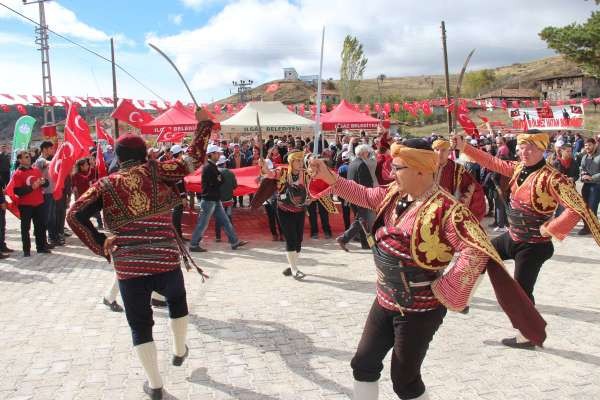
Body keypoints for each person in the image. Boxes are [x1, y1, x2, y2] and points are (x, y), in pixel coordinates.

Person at [308, 139, 547, 400]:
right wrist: (327, 176)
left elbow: (476, 249)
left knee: (405, 381)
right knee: (363, 364)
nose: (390, 172)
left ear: (421, 170)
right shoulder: (393, 194)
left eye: (397, 167)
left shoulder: (447, 211)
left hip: (419, 311)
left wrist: (447, 289)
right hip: (385, 300)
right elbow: (364, 195)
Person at [67, 134, 205, 400]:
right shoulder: (157, 170)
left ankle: (155, 386)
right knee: (177, 302)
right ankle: (178, 350)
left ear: (117, 158)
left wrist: (101, 242)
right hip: (164, 257)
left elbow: (73, 214)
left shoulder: (104, 185)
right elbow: (192, 159)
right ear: (145, 154)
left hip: (129, 267)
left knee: (140, 325)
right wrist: (203, 125)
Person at [453, 130, 600, 348]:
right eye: (522, 146)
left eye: (531, 147)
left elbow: (575, 209)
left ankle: (528, 336)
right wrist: (464, 147)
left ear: (543, 149)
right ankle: (464, 299)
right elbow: (493, 162)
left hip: (533, 246)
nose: (525, 151)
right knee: (479, 250)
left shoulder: (553, 178)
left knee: (521, 292)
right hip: (513, 236)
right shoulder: (517, 167)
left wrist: (550, 228)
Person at [256, 150, 335, 279]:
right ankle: (294, 269)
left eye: (300, 160)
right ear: (291, 162)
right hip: (284, 210)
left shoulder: (305, 175)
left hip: (300, 210)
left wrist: (313, 197)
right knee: (291, 238)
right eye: (297, 160)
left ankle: (291, 265)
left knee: (299, 240)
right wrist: (263, 166)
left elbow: (319, 184)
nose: (300, 163)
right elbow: (268, 174)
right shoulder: (281, 172)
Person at [189, 144, 248, 252]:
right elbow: (216, 182)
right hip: (209, 200)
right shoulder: (209, 168)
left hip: (214, 199)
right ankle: (193, 244)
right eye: (216, 153)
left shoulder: (211, 167)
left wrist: (219, 180)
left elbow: (220, 180)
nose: (218, 155)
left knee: (225, 221)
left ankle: (234, 241)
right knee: (203, 223)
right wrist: (219, 180)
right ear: (211, 154)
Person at [431, 138, 486, 221]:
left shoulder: (457, 169)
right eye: (437, 150)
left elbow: (475, 188)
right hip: (429, 212)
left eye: (443, 150)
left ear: (449, 152)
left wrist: (465, 201)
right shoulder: (426, 167)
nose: (439, 153)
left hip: (448, 214)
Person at [10, 150, 51, 257]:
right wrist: (31, 188)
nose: (29, 158)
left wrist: (44, 182)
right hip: (25, 205)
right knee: (25, 228)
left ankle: (41, 247)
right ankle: (26, 250)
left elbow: (46, 183)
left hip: (39, 203)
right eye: (26, 157)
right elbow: (17, 191)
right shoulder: (17, 174)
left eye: (29, 156)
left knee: (40, 226)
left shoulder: (36, 170)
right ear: (20, 160)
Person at [336, 144, 375, 251]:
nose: (368, 154)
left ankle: (365, 244)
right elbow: (364, 183)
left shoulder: (353, 163)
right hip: (360, 196)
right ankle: (344, 239)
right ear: (363, 153)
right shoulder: (361, 164)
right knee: (361, 220)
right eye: (367, 152)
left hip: (353, 196)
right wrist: (369, 195)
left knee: (361, 220)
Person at [34, 141, 59, 247]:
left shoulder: (47, 159)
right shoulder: (40, 160)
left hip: (50, 192)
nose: (52, 150)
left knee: (52, 217)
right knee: (47, 217)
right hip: (45, 193)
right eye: (50, 148)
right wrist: (58, 157)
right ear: (44, 149)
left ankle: (53, 238)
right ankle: (47, 239)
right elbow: (49, 164)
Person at [169, 145, 191, 240]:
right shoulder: (176, 165)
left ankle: (178, 235)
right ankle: (177, 236)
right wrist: (183, 197)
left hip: (175, 195)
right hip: (178, 196)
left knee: (177, 216)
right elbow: (178, 183)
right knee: (177, 217)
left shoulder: (173, 164)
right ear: (180, 153)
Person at [579, 138, 600, 234]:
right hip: (586, 186)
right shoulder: (584, 157)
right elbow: (582, 169)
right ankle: (586, 227)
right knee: (585, 207)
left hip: (596, 186)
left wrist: (591, 177)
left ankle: (594, 228)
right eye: (586, 145)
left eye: (589, 145)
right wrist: (582, 174)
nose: (587, 147)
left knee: (592, 208)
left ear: (595, 145)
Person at [214, 155, 237, 242]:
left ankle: (218, 237)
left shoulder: (214, 173)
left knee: (218, 219)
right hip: (228, 200)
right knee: (229, 218)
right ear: (225, 163)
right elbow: (235, 186)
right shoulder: (230, 173)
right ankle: (230, 237)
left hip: (218, 201)